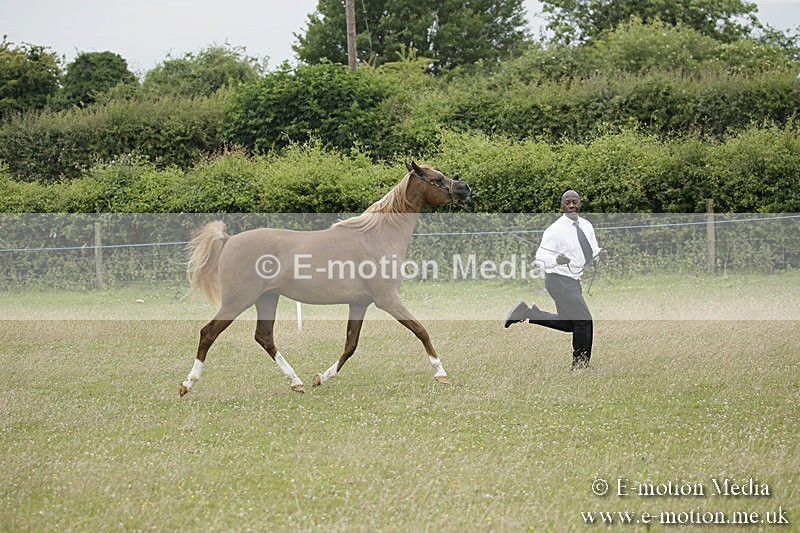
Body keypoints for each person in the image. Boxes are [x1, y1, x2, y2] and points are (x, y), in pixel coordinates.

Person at [504, 190, 607, 370]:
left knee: (570, 323)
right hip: (558, 281)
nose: (572, 205)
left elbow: (591, 249)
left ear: (580, 203)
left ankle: (528, 313)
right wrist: (556, 260)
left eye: (575, 202)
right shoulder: (554, 230)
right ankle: (580, 366)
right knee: (584, 321)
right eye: (568, 202)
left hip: (573, 281)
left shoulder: (586, 226)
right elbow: (540, 257)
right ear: (562, 206)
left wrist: (600, 255)